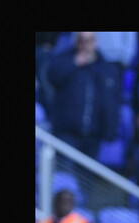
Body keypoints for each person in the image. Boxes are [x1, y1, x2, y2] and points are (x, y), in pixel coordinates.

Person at [46, 31, 121, 162]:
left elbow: (112, 101)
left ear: (95, 42)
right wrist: (74, 62)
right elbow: (52, 77)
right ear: (76, 42)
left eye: (89, 40)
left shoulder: (106, 67)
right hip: (67, 132)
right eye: (82, 40)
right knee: (64, 173)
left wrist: (110, 130)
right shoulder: (64, 58)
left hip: (94, 135)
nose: (85, 44)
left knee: (88, 173)